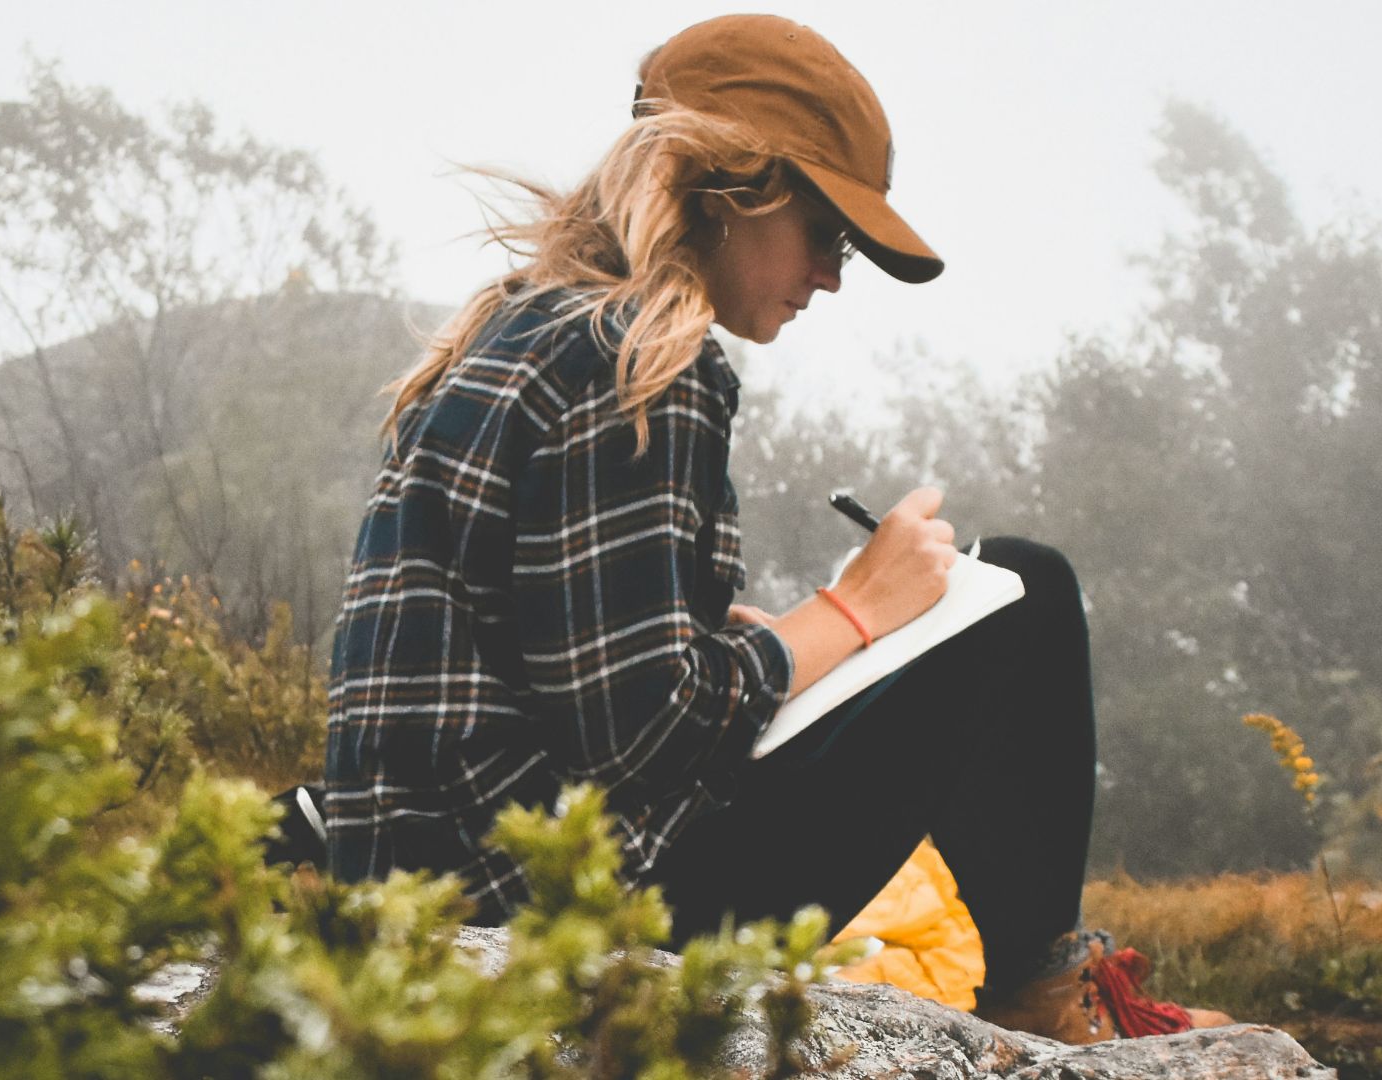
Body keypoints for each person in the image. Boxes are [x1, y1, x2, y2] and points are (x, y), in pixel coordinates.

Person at [322, 13, 1230, 1044]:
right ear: (728, 187)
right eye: (825, 233)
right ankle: (1037, 991)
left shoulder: (520, 331)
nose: (833, 276)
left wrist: (756, 647)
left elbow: (567, 688)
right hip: (559, 909)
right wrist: (854, 610)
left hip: (445, 882)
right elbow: (642, 734)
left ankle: (1035, 982)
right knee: (1024, 593)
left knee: (940, 620)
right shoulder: (642, 361)